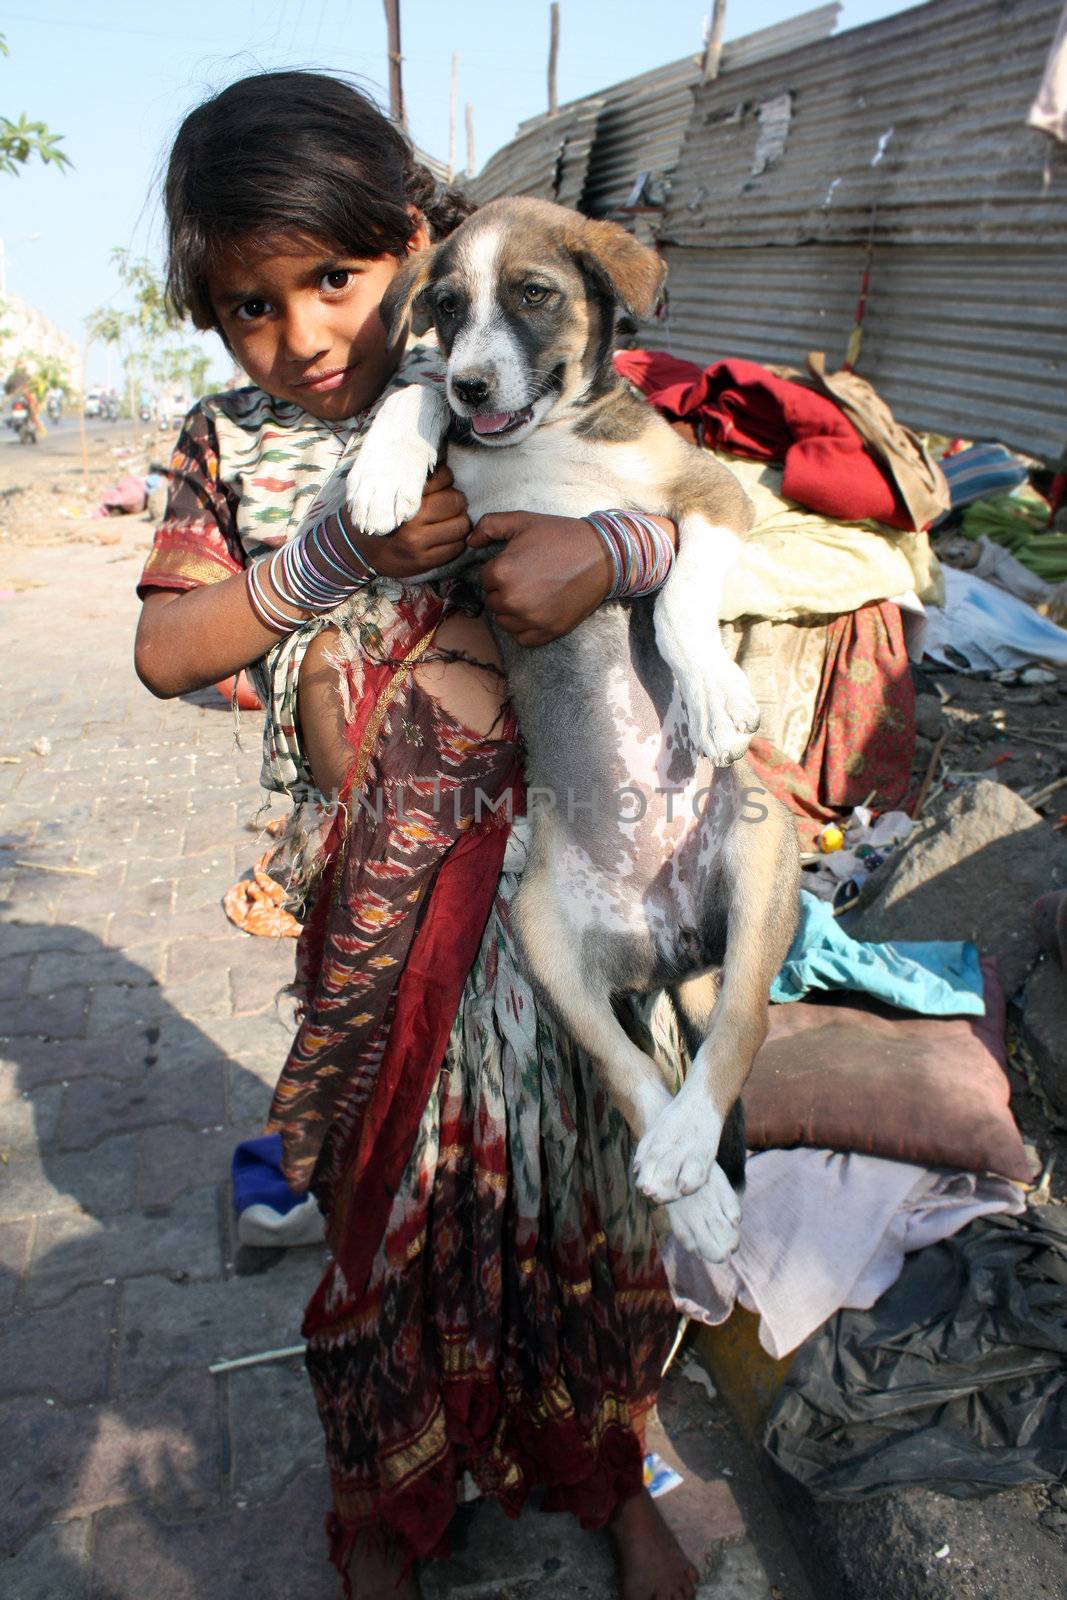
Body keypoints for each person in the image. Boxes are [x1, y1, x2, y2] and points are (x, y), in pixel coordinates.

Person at [135, 70, 696, 1600]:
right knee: (385, 1220)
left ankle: (602, 1465)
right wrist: (321, 556)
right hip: (374, 927)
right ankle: (386, 1504)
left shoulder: (510, 375)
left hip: (566, 895)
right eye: (250, 305)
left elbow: (708, 509)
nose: (302, 336)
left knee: (583, 1214)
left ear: (413, 236)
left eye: (336, 277)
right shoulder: (230, 445)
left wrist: (610, 546)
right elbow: (168, 650)